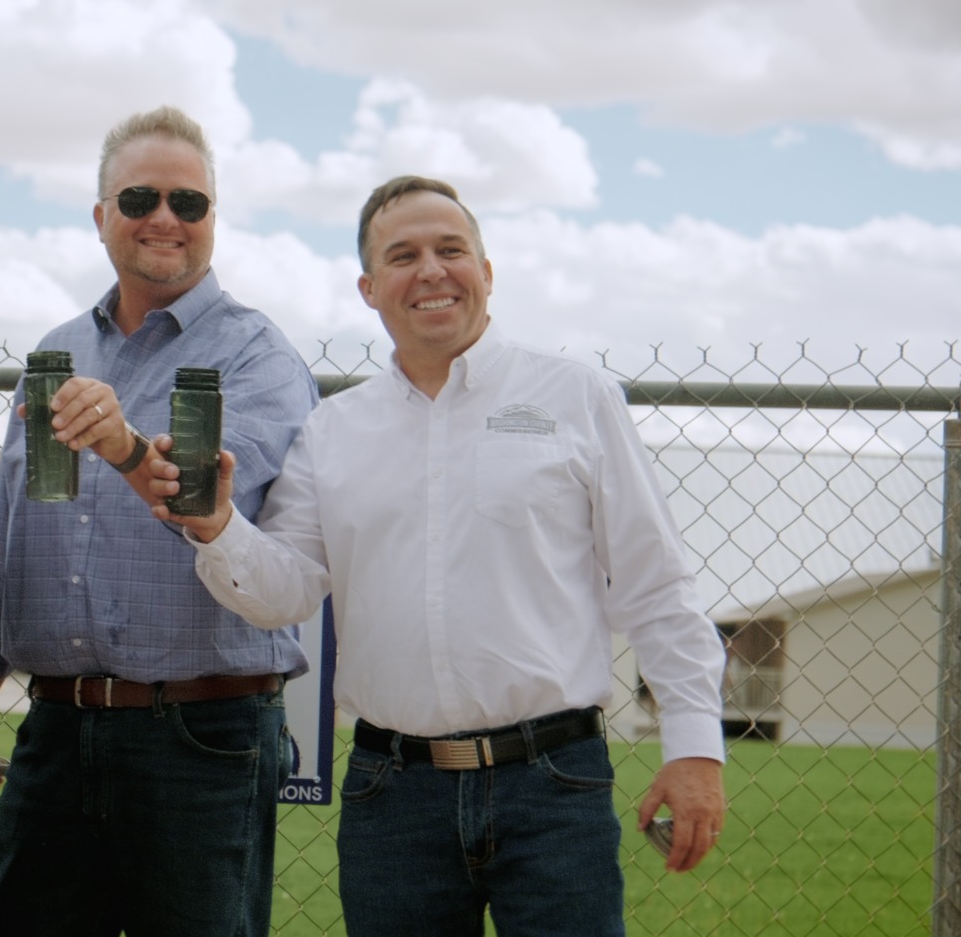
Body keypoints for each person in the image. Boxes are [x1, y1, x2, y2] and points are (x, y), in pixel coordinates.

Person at [152, 174, 728, 935]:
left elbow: (655, 585)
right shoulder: (334, 432)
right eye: (403, 255)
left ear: (486, 273)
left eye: (450, 249)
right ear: (368, 287)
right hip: (393, 795)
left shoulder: (576, 398)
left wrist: (694, 747)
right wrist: (219, 525)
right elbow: (286, 590)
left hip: (554, 784)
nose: (430, 270)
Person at [0, 106, 321, 936]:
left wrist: (124, 446)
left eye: (188, 203)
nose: (165, 218)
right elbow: (3, 552)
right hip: (53, 732)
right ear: (101, 218)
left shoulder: (257, 360)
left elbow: (211, 512)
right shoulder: (53, 356)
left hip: (200, 738)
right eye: (139, 198)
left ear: (212, 223)